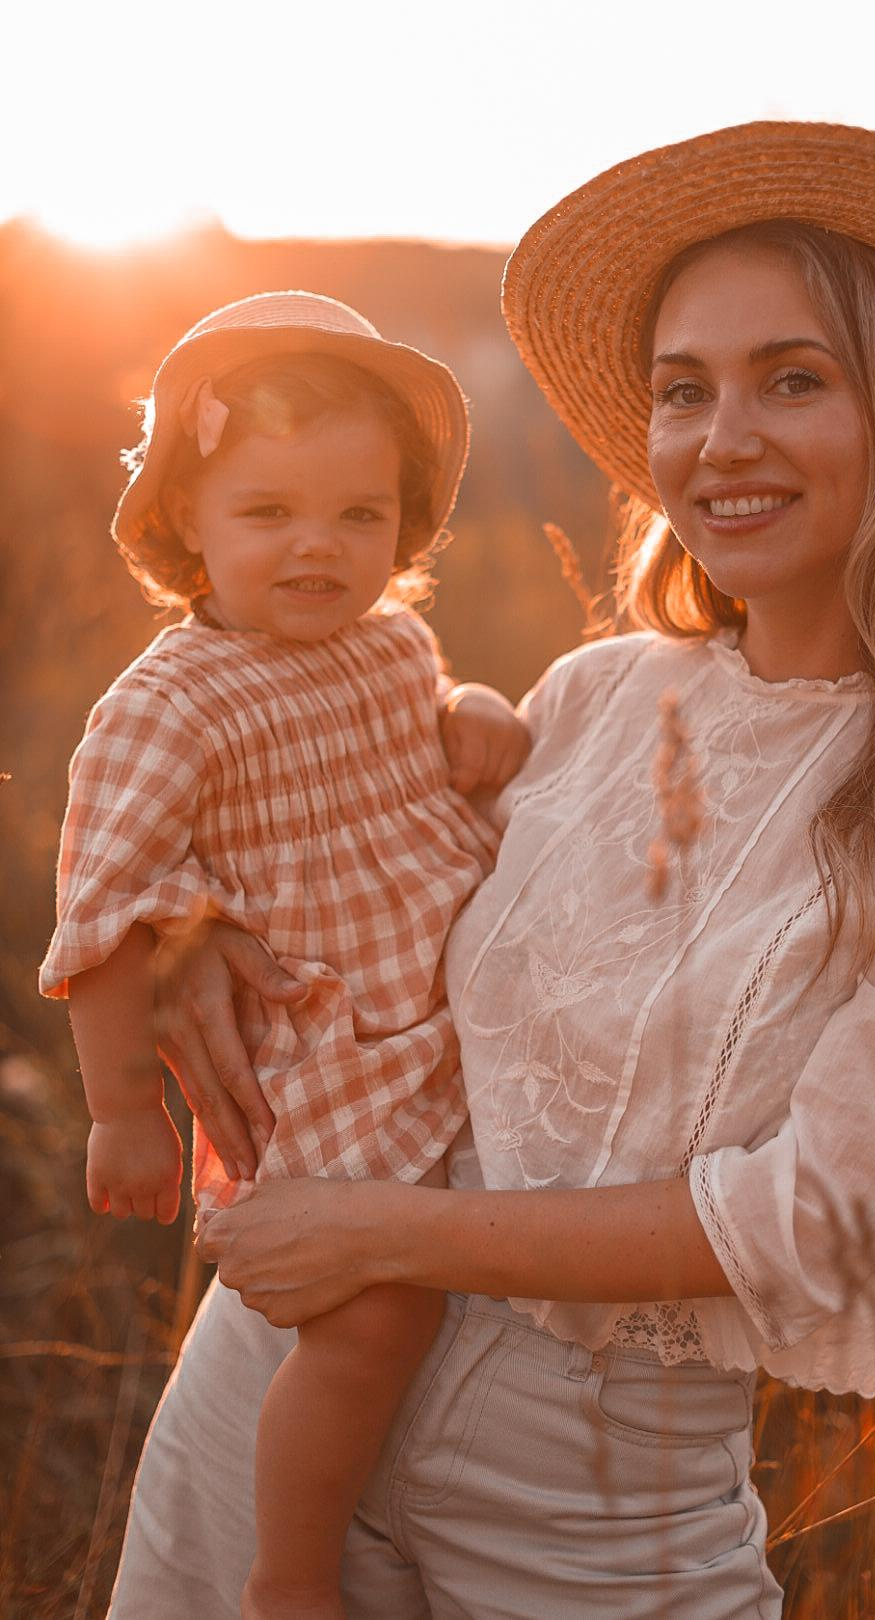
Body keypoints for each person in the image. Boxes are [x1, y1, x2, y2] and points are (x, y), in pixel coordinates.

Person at [109, 126, 875, 1619]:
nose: (719, 437)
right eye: (685, 390)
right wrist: (192, 939)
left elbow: (810, 1215)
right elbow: (373, 893)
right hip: (277, 1397)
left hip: (596, 1504)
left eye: (794, 379)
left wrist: (391, 1231)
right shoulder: (599, 694)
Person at [39, 290, 529, 1620]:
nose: (318, 547)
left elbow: (428, 721)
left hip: (447, 992)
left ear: (403, 526)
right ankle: (288, 1572)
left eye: (358, 516)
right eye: (267, 515)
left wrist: (474, 706)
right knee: (372, 1320)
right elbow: (102, 919)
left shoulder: (391, 642)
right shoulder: (168, 703)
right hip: (328, 1038)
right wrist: (120, 1112)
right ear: (185, 527)